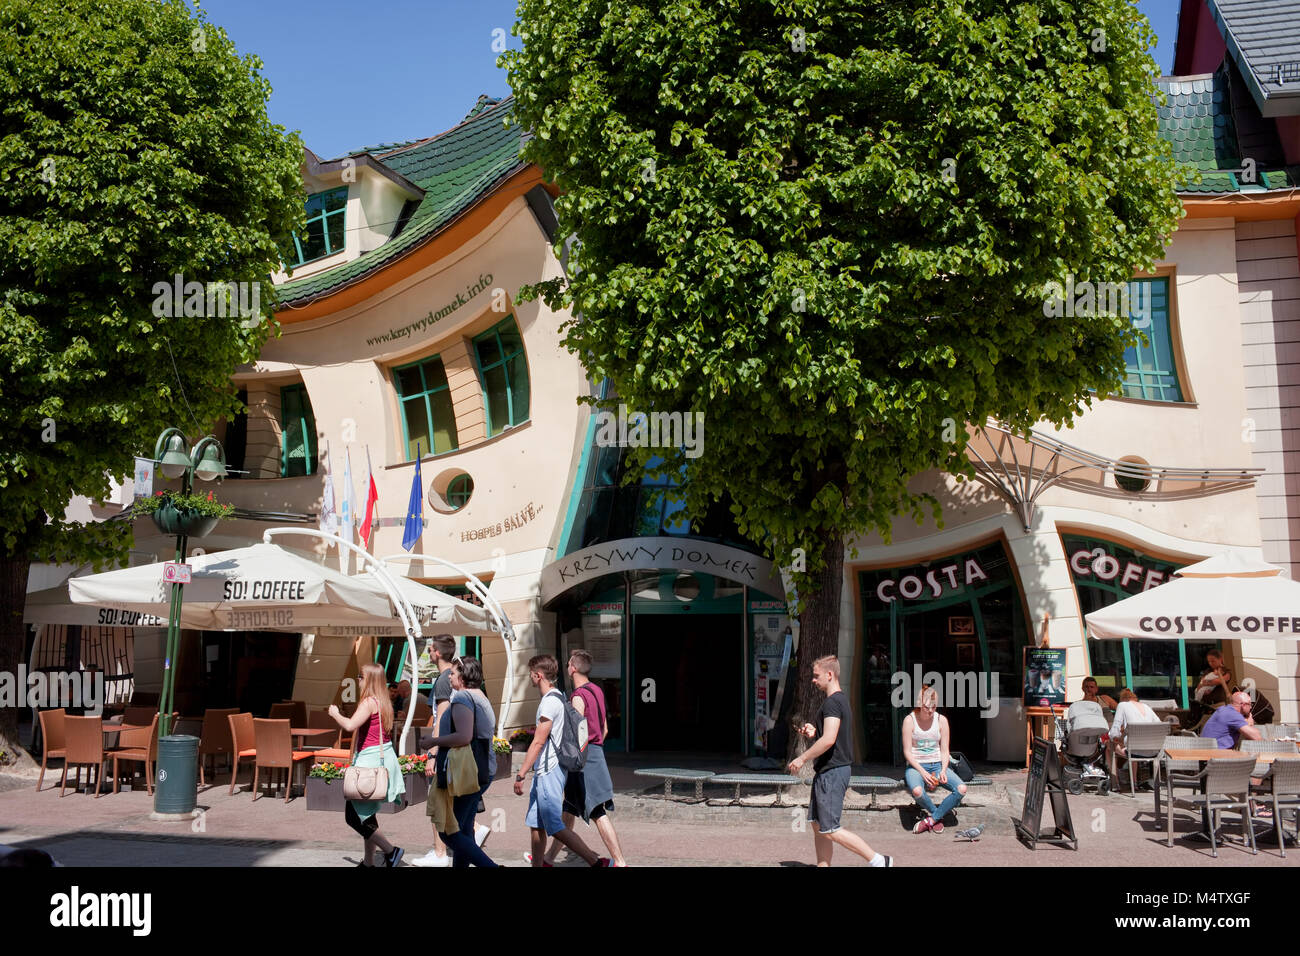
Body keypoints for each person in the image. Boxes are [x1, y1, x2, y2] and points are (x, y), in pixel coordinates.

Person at [788, 655, 893, 867]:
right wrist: (814, 732)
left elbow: (829, 740)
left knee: (831, 828)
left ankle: (880, 861)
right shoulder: (838, 701)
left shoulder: (833, 703)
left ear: (830, 674)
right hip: (829, 771)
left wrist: (802, 758)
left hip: (833, 772)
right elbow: (828, 735)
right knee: (818, 825)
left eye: (816, 676)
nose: (813, 680)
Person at [513, 654, 609, 867]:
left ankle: (596, 862)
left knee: (555, 826)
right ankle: (539, 864)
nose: (530, 677)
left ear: (538, 676)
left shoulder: (550, 703)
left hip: (549, 770)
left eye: (531, 673)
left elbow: (538, 742)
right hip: (545, 771)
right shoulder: (556, 697)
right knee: (536, 824)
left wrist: (521, 773)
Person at [538, 650, 627, 866]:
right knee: (569, 807)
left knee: (597, 810)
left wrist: (573, 758)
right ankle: (548, 859)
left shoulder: (578, 696)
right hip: (595, 752)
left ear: (574, 668)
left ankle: (620, 861)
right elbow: (604, 728)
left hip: (584, 758)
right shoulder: (596, 689)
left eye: (569, 663)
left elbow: (578, 732)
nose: (567, 666)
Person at [418, 656, 497, 867]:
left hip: (469, 771)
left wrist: (433, 742)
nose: (450, 676)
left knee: (448, 833)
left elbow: (464, 736)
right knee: (463, 829)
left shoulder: (463, 698)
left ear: (462, 676)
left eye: (453, 673)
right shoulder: (480, 696)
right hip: (480, 770)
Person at [328, 662, 405, 867]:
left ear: (369, 679)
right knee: (367, 814)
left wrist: (335, 713)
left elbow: (350, 725)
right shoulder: (383, 701)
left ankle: (391, 851)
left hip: (368, 763)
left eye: (360, 677)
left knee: (353, 817)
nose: (358, 680)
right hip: (382, 759)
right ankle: (369, 862)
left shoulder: (369, 702)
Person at [410, 635, 458, 867]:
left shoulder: (442, 680)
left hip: (444, 750)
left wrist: (432, 753)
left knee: (437, 800)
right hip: (454, 747)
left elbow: (442, 718)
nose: (428, 654)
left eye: (430, 650)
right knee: (447, 801)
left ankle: (440, 854)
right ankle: (469, 834)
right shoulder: (455, 676)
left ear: (437, 653)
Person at [901, 684, 967, 834]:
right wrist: (923, 772)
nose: (930, 711)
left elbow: (944, 750)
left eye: (934, 707)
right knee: (917, 791)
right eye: (926, 707)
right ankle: (937, 814)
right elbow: (907, 752)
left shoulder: (941, 720)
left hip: (937, 764)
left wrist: (944, 769)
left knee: (961, 788)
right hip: (916, 766)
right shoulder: (909, 720)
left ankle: (932, 819)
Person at [1201, 690, 1269, 816]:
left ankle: (1247, 805)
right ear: (1243, 705)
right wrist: (1250, 721)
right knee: (1258, 768)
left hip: (1209, 760)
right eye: (1250, 704)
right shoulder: (1233, 715)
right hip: (1218, 763)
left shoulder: (1223, 710)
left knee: (1252, 763)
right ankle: (1250, 807)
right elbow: (1257, 737)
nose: (1251, 707)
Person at [1106, 688, 1161, 785]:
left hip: (1134, 752)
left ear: (1122, 699)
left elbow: (1114, 732)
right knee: (1132, 744)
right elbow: (1159, 726)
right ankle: (1134, 782)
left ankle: (1115, 783)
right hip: (1153, 752)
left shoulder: (1122, 705)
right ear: (1135, 699)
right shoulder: (1146, 706)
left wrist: (1116, 738)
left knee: (1109, 745)